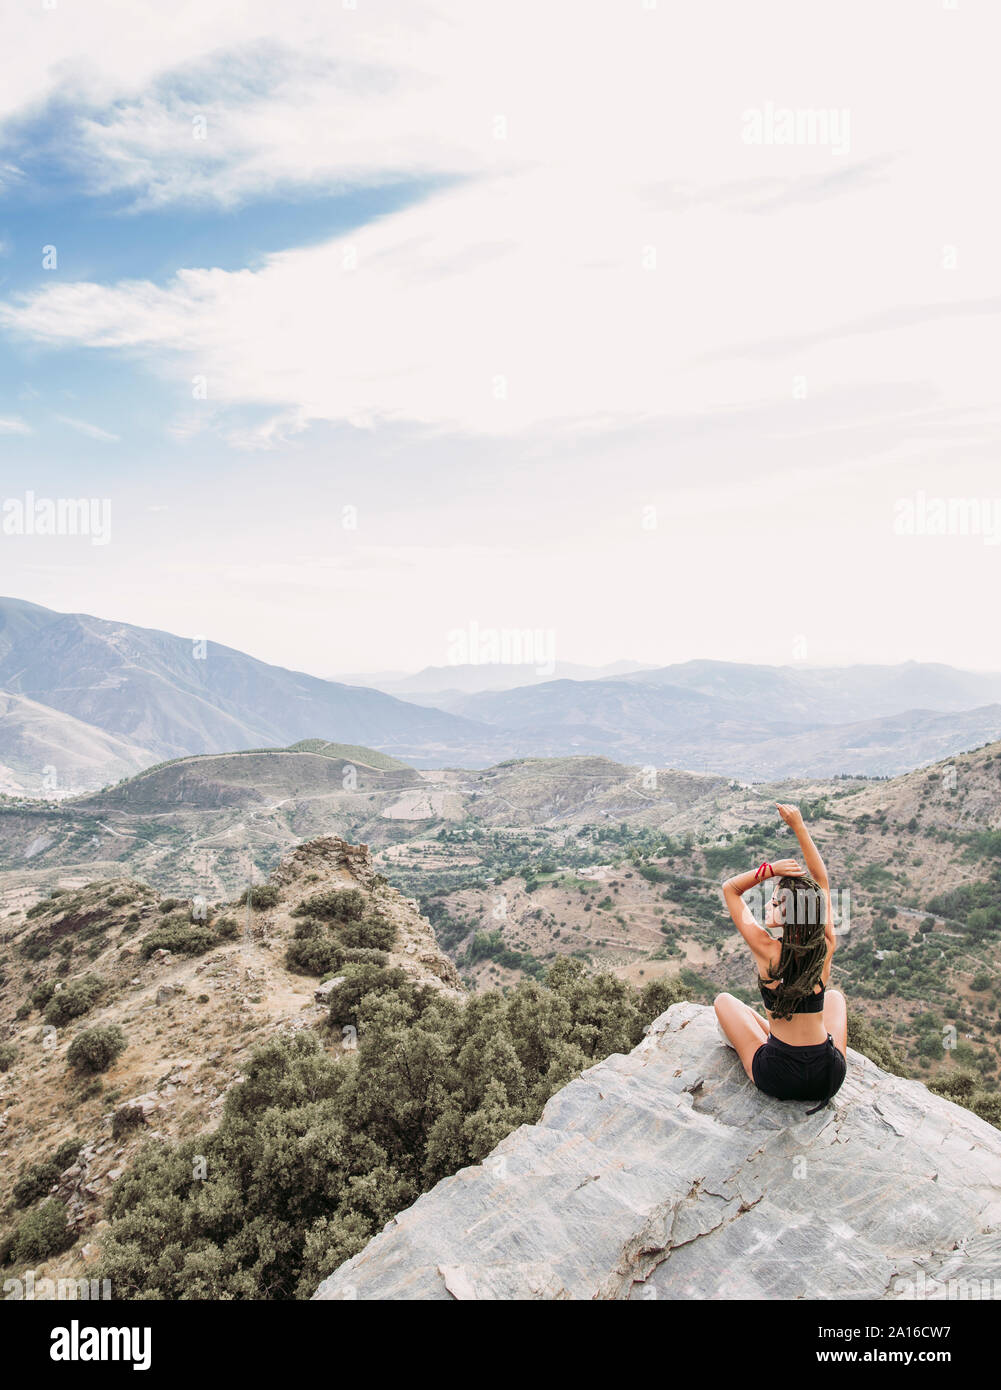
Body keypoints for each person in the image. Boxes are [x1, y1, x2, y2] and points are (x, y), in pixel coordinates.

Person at [714, 803, 847, 1115]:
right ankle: (783, 1035)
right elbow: (822, 883)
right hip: (827, 1077)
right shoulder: (825, 947)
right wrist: (799, 826)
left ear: (788, 914)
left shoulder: (765, 947)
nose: (767, 907)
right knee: (836, 999)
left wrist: (770, 869)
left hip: (778, 1076)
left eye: (774, 903)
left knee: (723, 1001)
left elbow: (730, 889)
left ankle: (771, 1032)